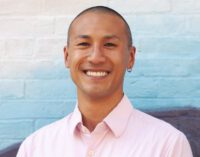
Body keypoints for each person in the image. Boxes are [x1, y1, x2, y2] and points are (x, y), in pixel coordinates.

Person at [17, 6, 193, 157]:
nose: (96, 58)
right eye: (84, 44)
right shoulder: (36, 147)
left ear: (130, 57)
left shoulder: (167, 145)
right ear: (67, 56)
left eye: (109, 45)